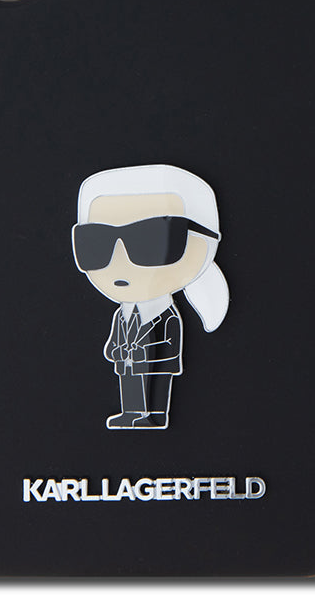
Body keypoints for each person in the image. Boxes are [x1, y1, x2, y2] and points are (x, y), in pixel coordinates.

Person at [72, 164, 229, 430]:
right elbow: (113, 341)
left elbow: (170, 342)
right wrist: (115, 350)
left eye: (151, 240)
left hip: (157, 365)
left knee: (156, 391)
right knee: (131, 390)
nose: (120, 260)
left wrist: (147, 352)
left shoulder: (167, 316)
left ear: (204, 242)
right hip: (128, 365)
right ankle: (132, 413)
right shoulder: (121, 316)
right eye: (97, 242)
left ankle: (155, 414)